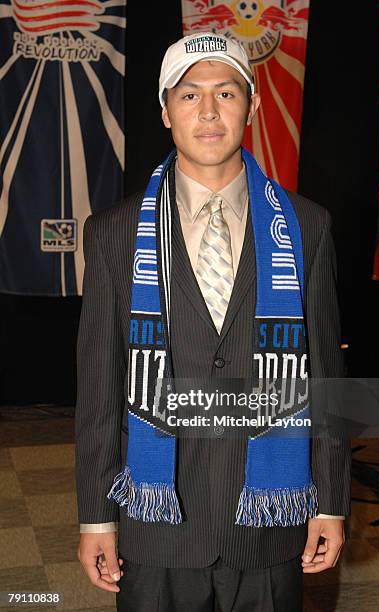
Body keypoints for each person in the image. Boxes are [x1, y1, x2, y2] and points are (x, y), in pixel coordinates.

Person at [75, 31, 352, 612]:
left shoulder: (306, 225)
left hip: (270, 522)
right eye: (188, 94)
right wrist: (95, 515)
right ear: (165, 111)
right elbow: (99, 386)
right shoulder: (114, 232)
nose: (207, 111)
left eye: (225, 93)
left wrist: (330, 499)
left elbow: (327, 372)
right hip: (157, 525)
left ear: (251, 107)